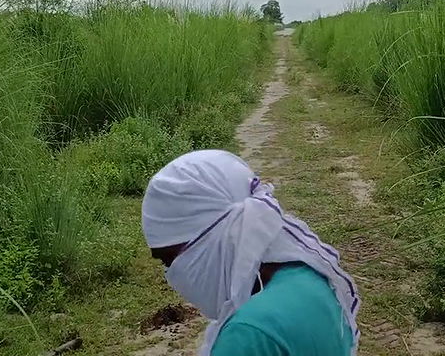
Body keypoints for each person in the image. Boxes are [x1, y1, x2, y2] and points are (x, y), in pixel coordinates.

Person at [142, 149, 361, 356]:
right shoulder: (309, 273)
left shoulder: (249, 334)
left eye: (169, 260)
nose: (171, 276)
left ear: (212, 239)